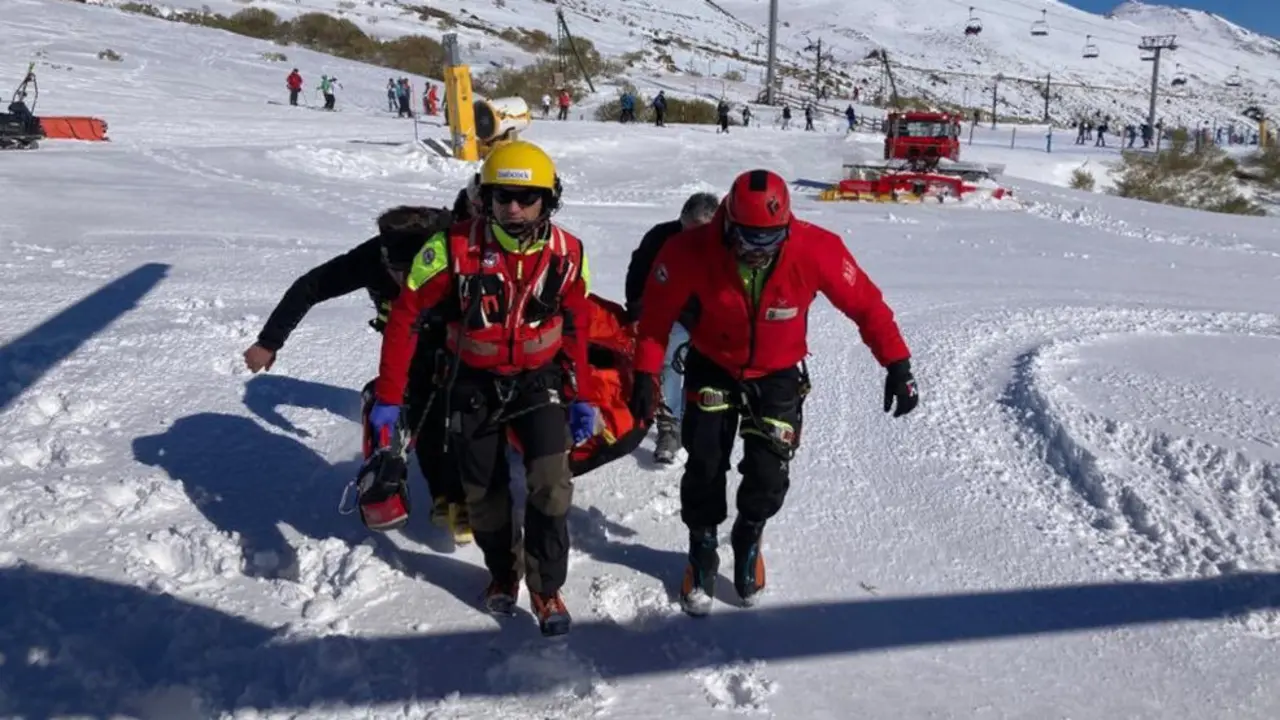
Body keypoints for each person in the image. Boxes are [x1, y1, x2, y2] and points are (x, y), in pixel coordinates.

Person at [629, 168, 919, 616]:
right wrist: (646, 377)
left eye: (768, 240)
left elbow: (866, 305)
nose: (756, 251)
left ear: (786, 227)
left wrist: (897, 364)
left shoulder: (816, 248)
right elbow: (654, 322)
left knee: (769, 473)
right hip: (713, 365)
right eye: (746, 238)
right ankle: (702, 549)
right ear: (726, 223)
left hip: (778, 372)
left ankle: (748, 535)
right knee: (705, 464)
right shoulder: (690, 249)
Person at [368, 140, 592, 637]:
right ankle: (502, 574)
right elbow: (405, 318)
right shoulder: (449, 247)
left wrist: (586, 395)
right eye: (501, 196)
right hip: (472, 383)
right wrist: (388, 397)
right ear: (484, 197)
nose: (513, 208)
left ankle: (546, 585)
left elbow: (577, 323)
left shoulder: (568, 253)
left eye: (526, 197)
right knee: (485, 492)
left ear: (548, 200)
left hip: (540, 382)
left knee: (550, 486)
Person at [243, 178, 485, 541]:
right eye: (397, 274)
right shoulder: (372, 257)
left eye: (415, 272)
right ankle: (445, 496)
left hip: (466, 342)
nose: (407, 283)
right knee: (423, 414)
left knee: (465, 412)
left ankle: (473, 487)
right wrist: (269, 342)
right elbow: (311, 286)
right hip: (407, 348)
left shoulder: (455, 246)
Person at [623, 192, 719, 464]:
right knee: (668, 356)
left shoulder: (724, 246)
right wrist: (636, 312)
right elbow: (638, 274)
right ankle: (670, 426)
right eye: (685, 227)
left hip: (706, 318)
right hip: (665, 314)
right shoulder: (660, 237)